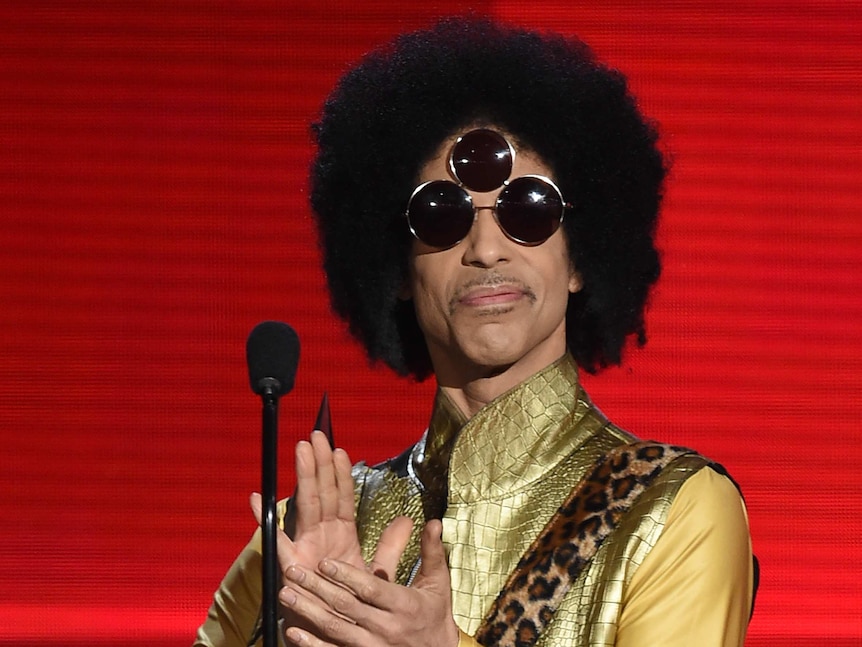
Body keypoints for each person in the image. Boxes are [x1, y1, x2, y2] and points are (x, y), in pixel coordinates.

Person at [195, 17, 756, 647]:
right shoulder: (307, 527)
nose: (486, 247)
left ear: (580, 258)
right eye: (441, 215)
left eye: (529, 210)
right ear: (399, 268)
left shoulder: (676, 510)